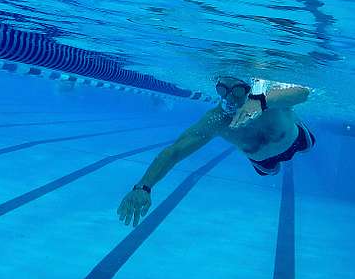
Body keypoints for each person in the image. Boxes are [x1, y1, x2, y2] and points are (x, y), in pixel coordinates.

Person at [117, 75, 315, 227]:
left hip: (296, 140)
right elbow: (175, 151)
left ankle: (295, 121)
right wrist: (143, 186)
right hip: (262, 161)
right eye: (222, 90)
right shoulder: (217, 120)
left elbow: (303, 92)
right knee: (272, 172)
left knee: (308, 149)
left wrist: (262, 101)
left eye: (236, 91)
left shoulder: (269, 99)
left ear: (249, 89)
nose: (230, 98)